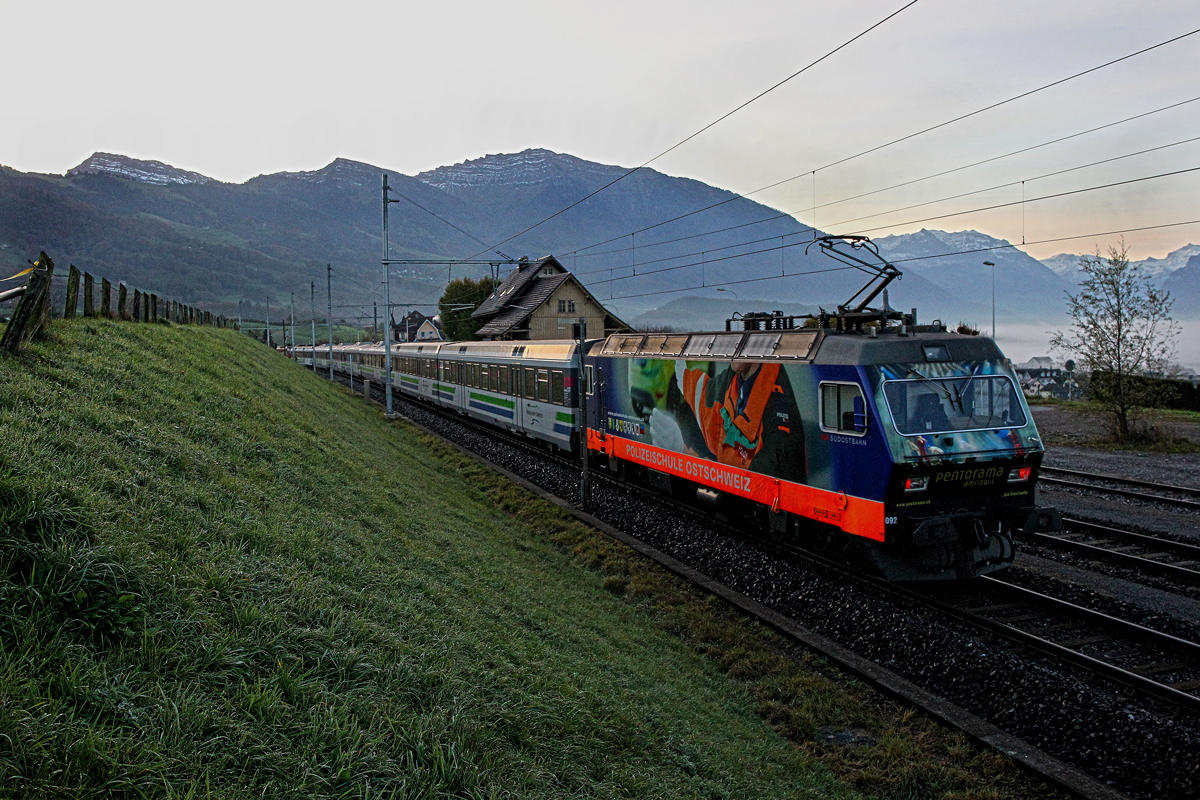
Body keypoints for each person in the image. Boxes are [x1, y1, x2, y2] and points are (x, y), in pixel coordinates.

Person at [676, 360, 807, 483]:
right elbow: (707, 401)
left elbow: (753, 485)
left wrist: (693, 461)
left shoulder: (777, 417)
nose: (730, 345)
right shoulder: (736, 376)